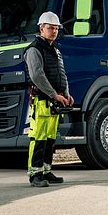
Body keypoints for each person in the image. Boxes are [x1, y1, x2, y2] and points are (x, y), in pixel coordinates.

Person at [24, 11, 74, 187]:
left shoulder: (56, 51)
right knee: (38, 139)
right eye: (50, 28)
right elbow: (37, 75)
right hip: (42, 101)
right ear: (41, 28)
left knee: (50, 139)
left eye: (56, 28)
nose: (54, 31)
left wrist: (66, 94)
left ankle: (46, 171)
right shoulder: (34, 50)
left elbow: (62, 74)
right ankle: (35, 174)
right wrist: (54, 94)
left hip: (55, 102)